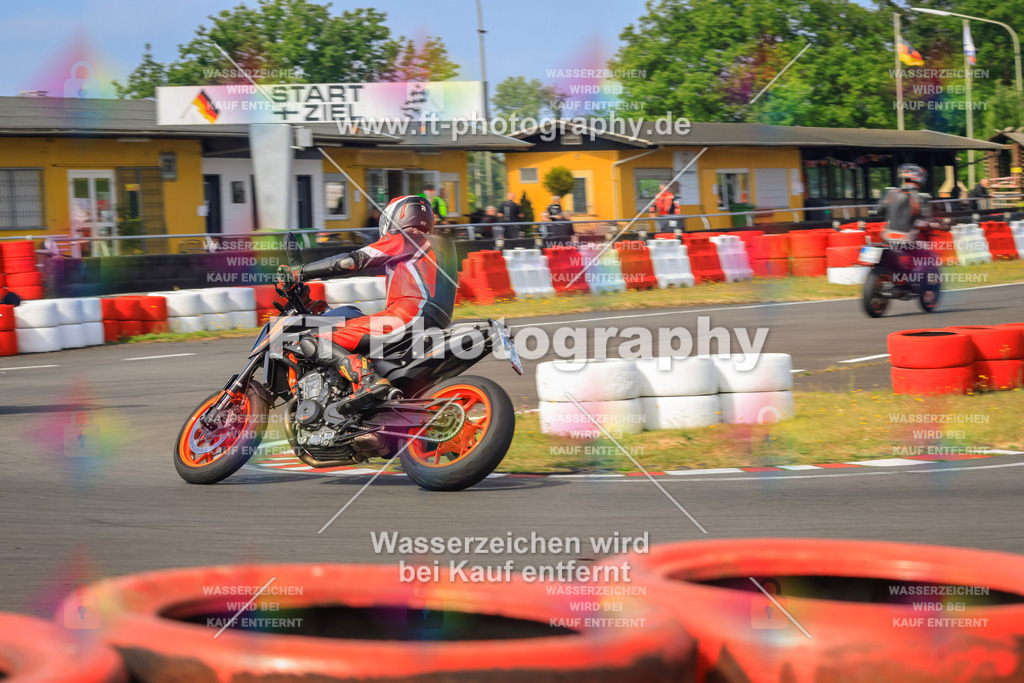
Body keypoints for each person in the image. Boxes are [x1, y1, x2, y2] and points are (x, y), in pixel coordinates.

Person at [278, 195, 456, 458]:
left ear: (396, 218)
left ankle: (366, 382)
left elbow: (351, 261)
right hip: (434, 325)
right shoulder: (443, 246)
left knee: (311, 340)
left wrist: (300, 272)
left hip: (404, 316)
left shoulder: (406, 239)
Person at [876, 164, 931, 242]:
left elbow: (879, 211)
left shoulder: (890, 193)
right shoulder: (919, 197)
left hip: (887, 236)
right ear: (919, 180)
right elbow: (924, 222)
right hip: (907, 239)